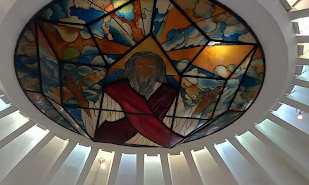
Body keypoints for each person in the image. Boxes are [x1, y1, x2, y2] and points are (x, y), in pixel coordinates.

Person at [67, 52, 221, 146]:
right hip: (116, 137)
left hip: (158, 140)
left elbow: (181, 120)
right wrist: (78, 95)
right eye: (140, 65)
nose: (145, 70)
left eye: (150, 66)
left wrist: (205, 103)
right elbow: (96, 114)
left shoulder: (168, 93)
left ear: (157, 70)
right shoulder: (116, 90)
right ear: (132, 67)